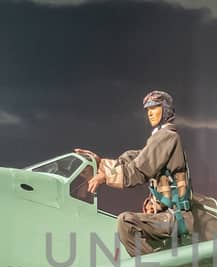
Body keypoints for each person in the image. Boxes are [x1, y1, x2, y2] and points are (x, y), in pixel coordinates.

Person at [84, 90, 201, 257]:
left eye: (154, 108)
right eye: (147, 110)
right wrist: (100, 162)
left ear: (165, 110)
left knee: (126, 223)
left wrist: (105, 177)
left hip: (176, 219)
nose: (150, 113)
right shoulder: (159, 139)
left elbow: (138, 170)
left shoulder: (166, 137)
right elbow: (134, 157)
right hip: (167, 216)